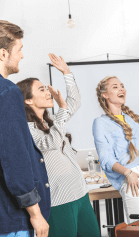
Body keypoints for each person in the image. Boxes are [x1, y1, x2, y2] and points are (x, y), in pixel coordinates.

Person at [16, 54, 100, 237]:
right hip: (58, 201)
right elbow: (51, 142)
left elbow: (75, 102)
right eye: (41, 90)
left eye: (47, 88)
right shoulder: (27, 129)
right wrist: (61, 109)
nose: (48, 92)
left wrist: (66, 72)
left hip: (80, 193)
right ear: (28, 100)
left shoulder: (52, 121)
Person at [93, 76, 139, 224]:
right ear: (105, 95)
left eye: (122, 86)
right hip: (134, 177)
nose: (121, 89)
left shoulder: (131, 119)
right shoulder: (100, 123)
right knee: (138, 228)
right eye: (115, 87)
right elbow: (106, 159)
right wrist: (128, 173)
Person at [0, 20, 50, 237]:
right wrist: (35, 213)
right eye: (19, 50)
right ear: (3, 54)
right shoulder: (8, 92)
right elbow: (14, 157)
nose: (22, 55)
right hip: (12, 217)